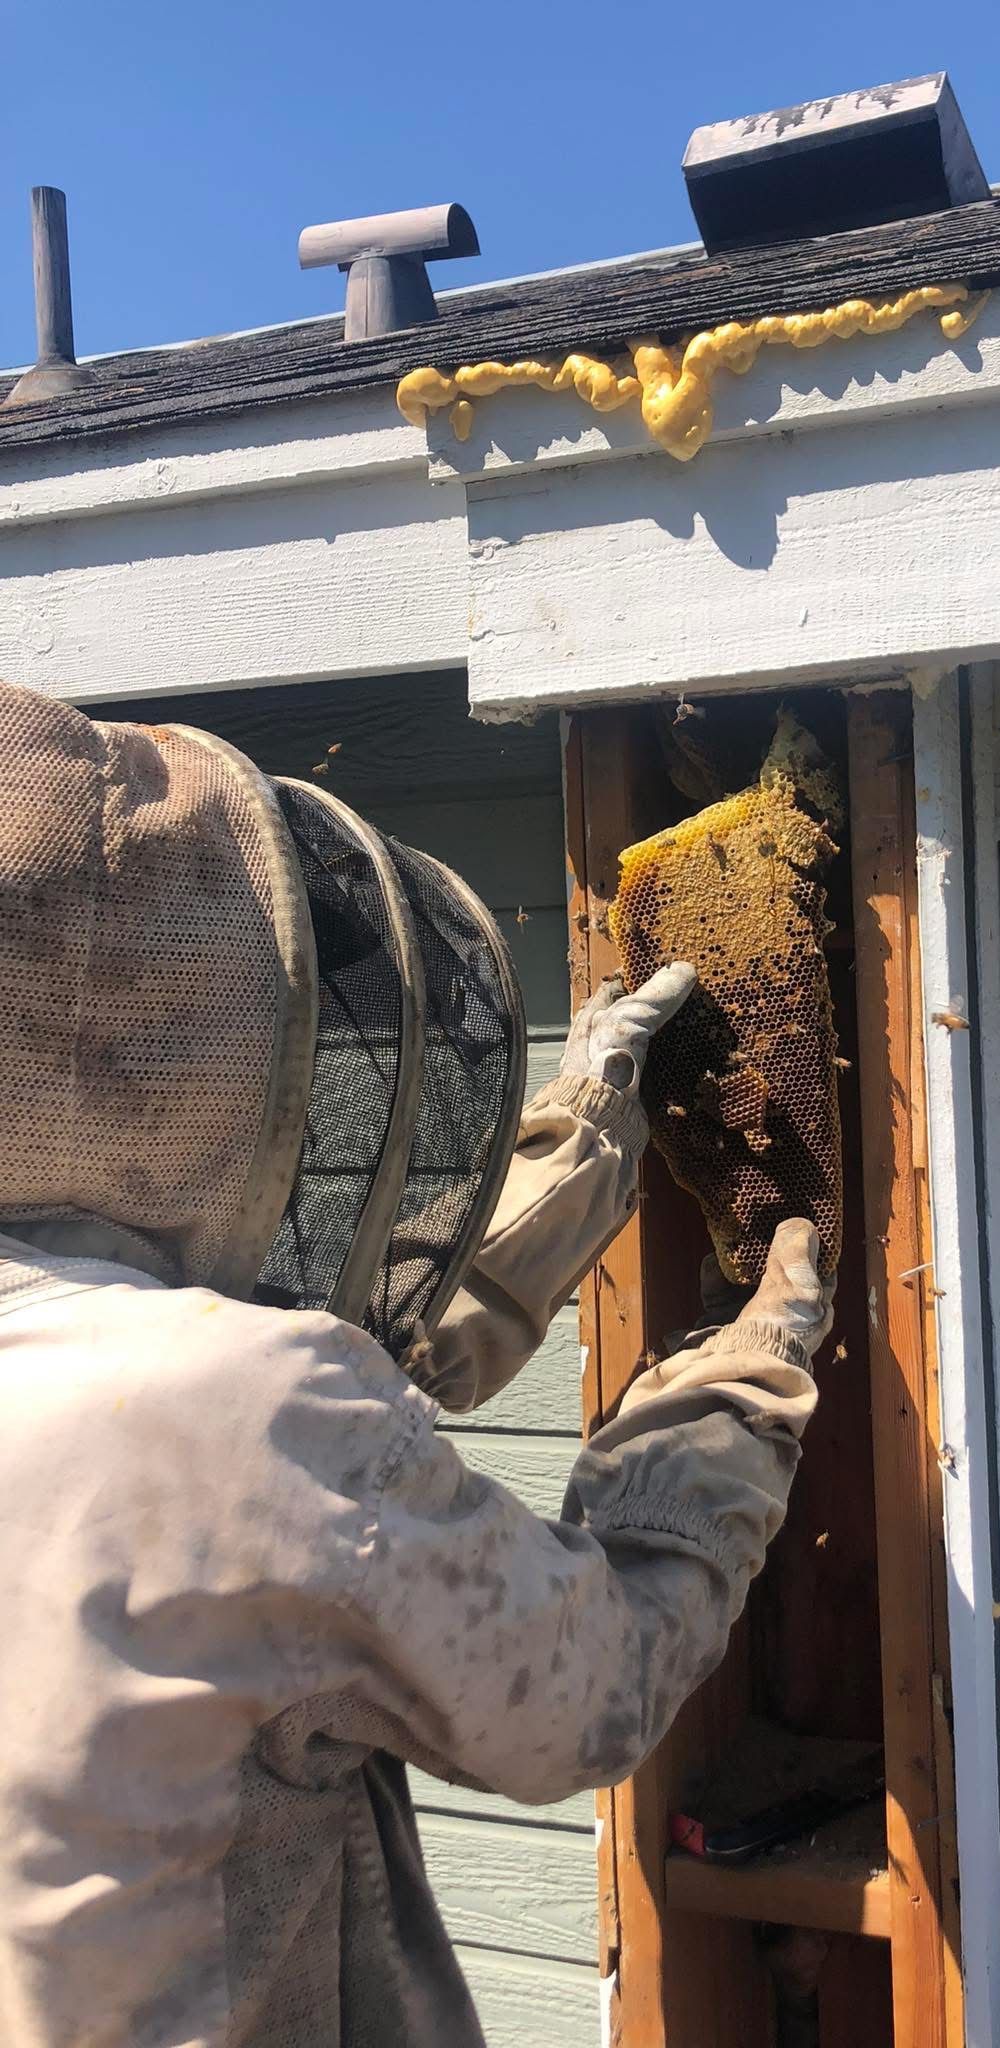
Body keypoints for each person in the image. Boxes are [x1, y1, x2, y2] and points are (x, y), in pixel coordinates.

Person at [0, 680, 833, 2047]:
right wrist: (734, 1395)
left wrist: (579, 1146)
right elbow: (591, 1682)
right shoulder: (217, 1425)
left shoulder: (164, 1407)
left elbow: (292, 1456)